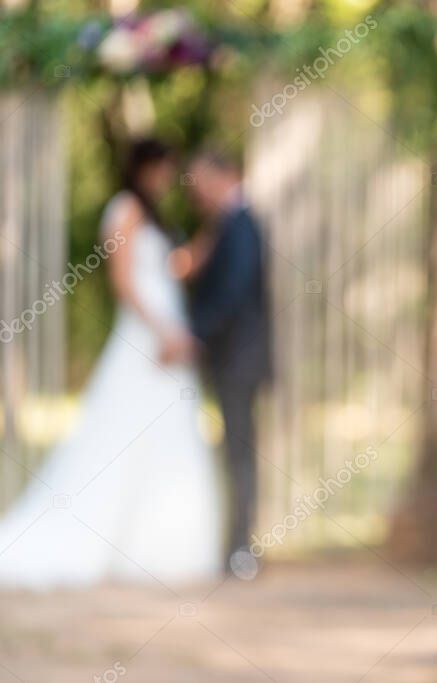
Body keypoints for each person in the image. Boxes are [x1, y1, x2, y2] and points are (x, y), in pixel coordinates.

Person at [0, 139, 223, 589]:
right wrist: (163, 331)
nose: (167, 179)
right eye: (162, 169)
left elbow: (168, 270)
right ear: (144, 168)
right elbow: (124, 281)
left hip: (170, 333)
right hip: (147, 337)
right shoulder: (124, 210)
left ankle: (159, 544)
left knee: (169, 434)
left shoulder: (156, 217)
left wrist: (206, 245)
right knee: (123, 432)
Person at [179, 151, 272, 575]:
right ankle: (236, 546)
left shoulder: (242, 225)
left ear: (226, 175)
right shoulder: (227, 225)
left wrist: (195, 333)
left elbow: (232, 295)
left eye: (202, 183)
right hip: (233, 358)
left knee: (239, 451)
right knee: (234, 450)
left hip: (240, 359)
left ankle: (241, 549)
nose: (198, 193)